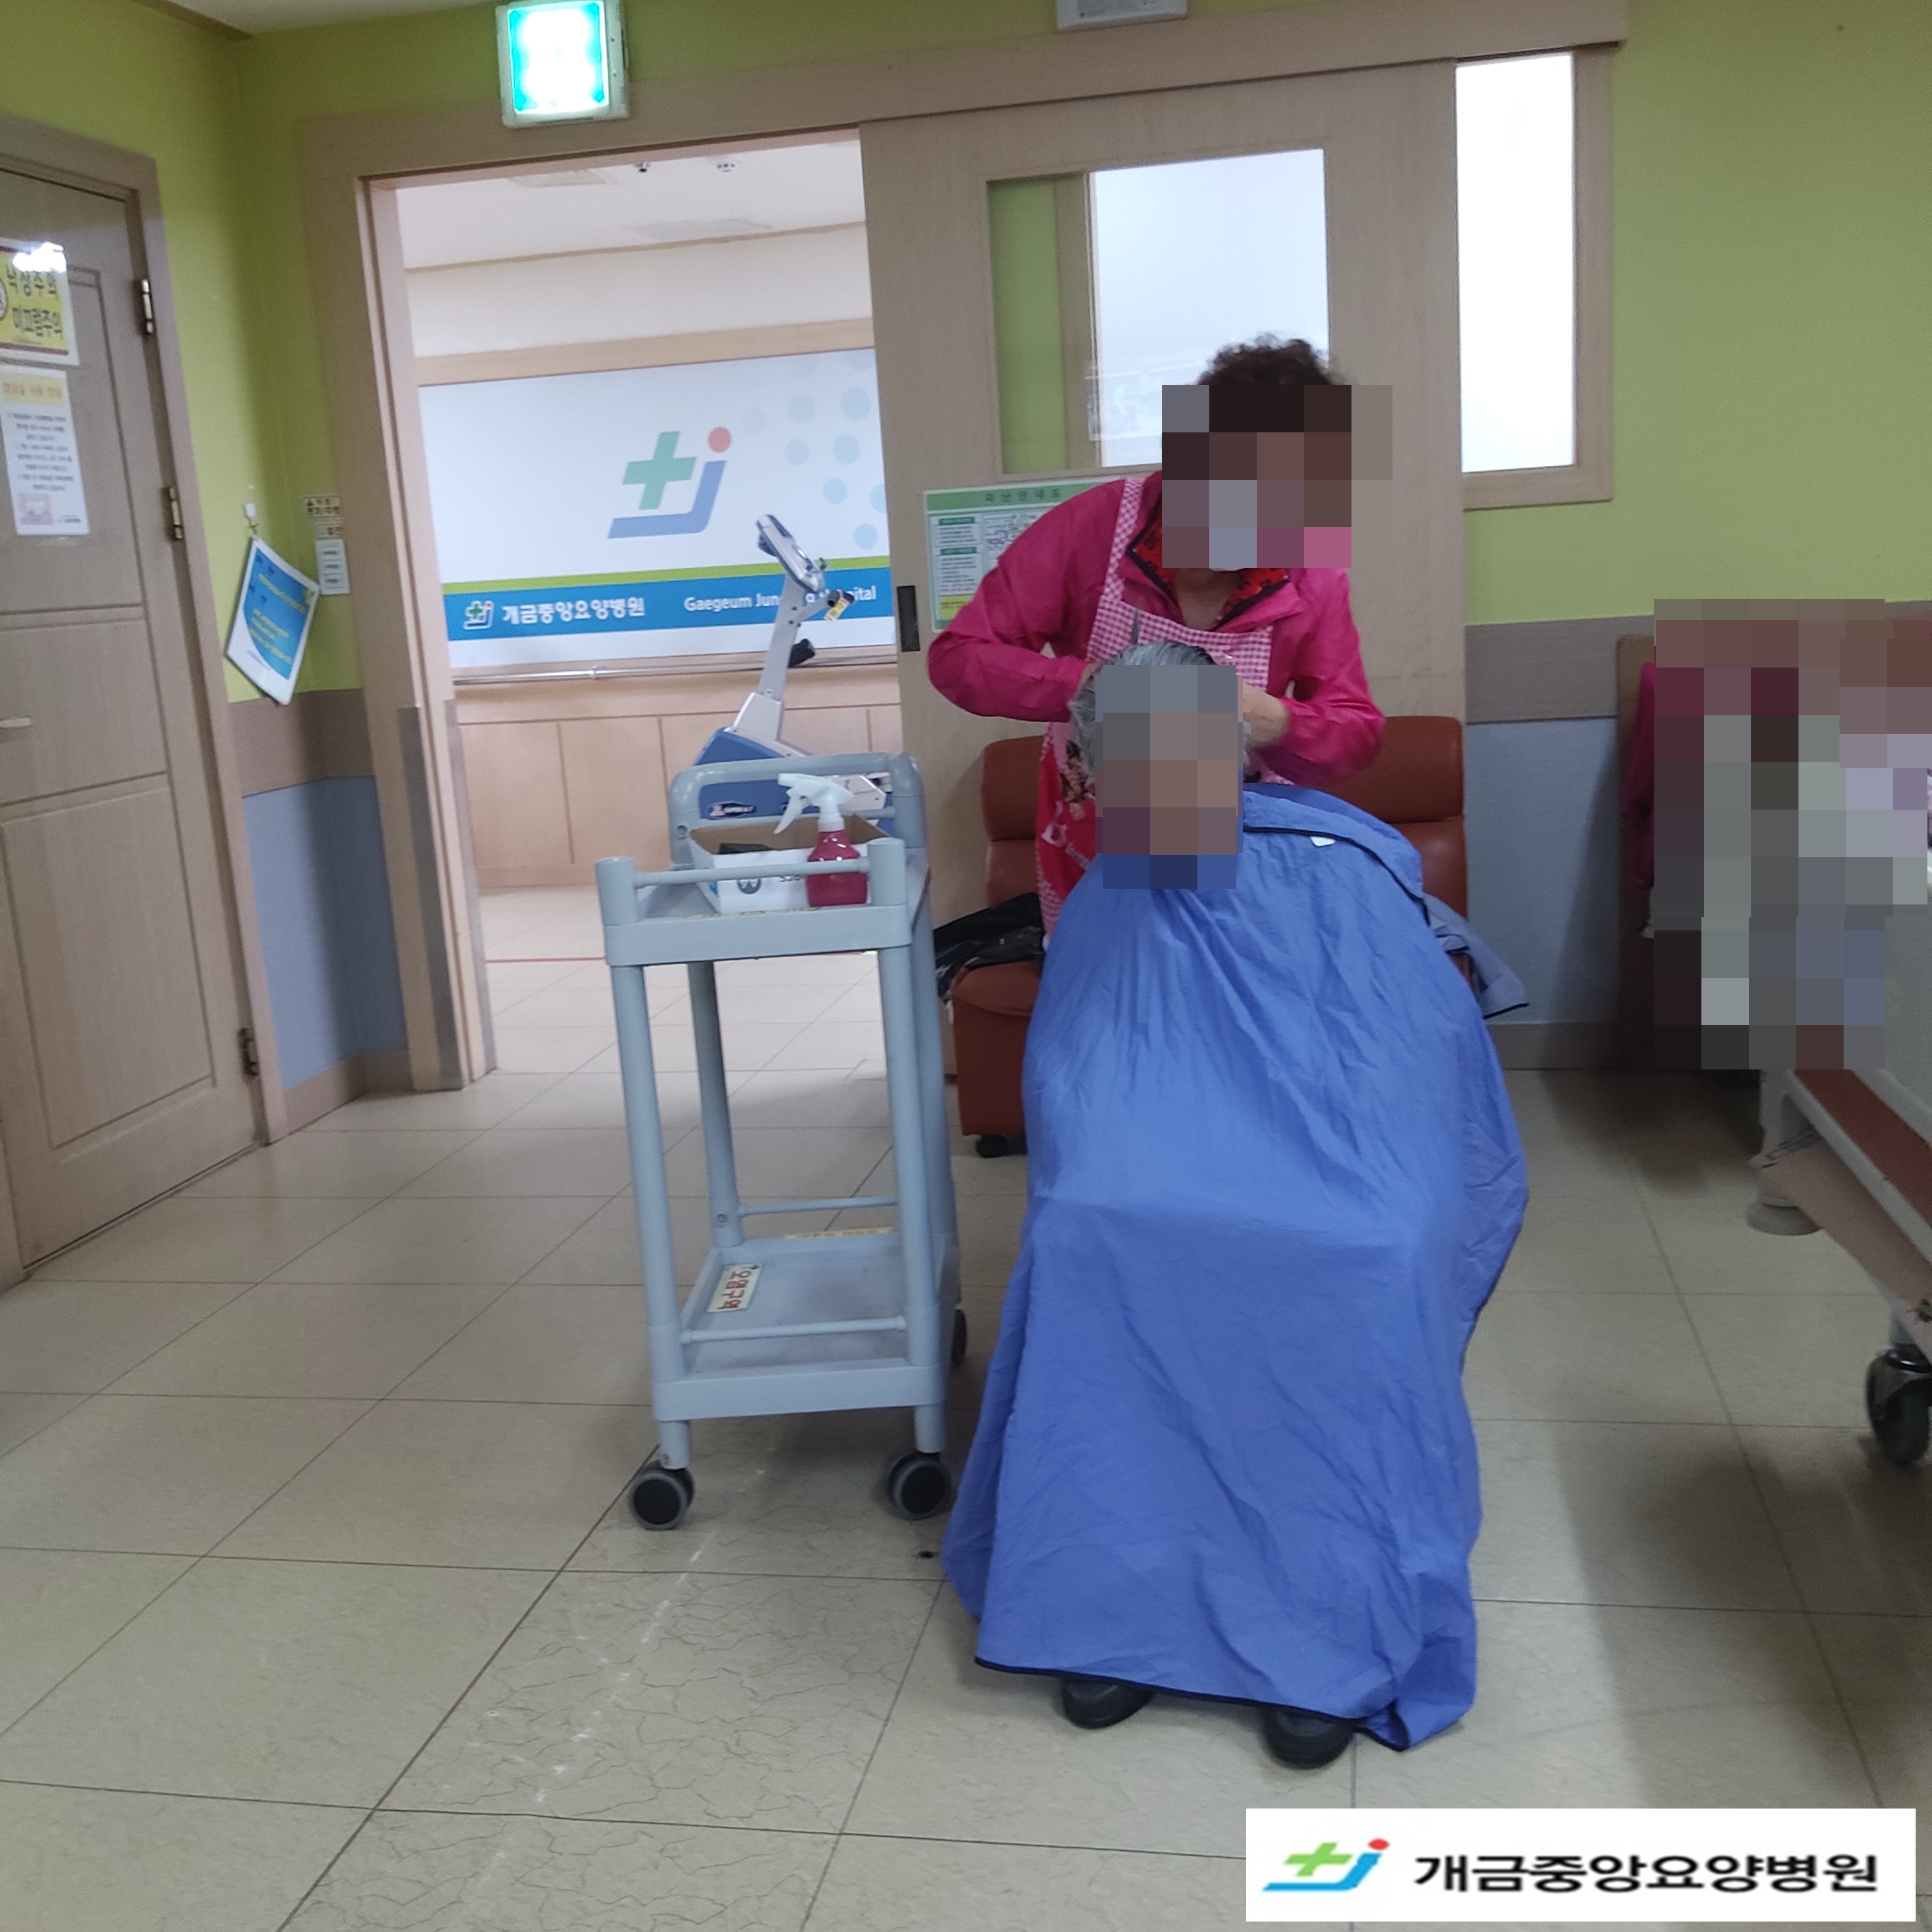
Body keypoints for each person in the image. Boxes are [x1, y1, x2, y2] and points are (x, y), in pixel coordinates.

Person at [939, 639, 1527, 1768]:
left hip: (1343, 1160)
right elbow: (1084, 1065)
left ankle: (1328, 1618)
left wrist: (1379, 1167)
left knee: (1367, 1244)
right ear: (1091, 773)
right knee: (1087, 1223)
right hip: (1153, 1152)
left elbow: (1411, 1058)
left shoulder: (1346, 857)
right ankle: (1106, 1598)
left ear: (1237, 748)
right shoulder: (1113, 887)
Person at [928, 335, 1385, 930]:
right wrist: (1102, 687)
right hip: (1094, 840)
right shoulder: (1092, 529)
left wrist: (1271, 719)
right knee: (1114, 970)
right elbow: (959, 658)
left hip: (1242, 844)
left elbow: (1357, 732)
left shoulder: (1310, 575)